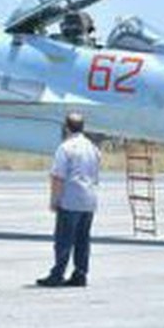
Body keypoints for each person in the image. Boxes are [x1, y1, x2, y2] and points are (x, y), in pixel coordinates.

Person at [37, 112, 101, 288]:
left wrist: (54, 200)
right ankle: (80, 274)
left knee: (64, 240)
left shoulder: (65, 148)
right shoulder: (93, 148)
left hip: (71, 198)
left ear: (66, 127)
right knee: (83, 240)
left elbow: (58, 177)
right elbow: (95, 175)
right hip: (89, 199)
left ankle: (57, 274)